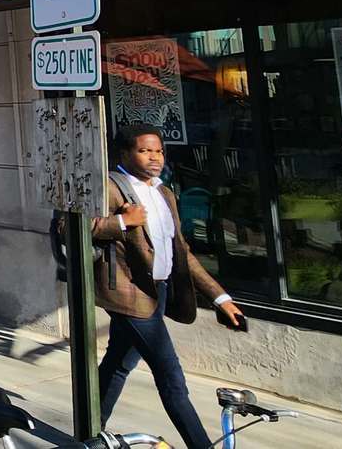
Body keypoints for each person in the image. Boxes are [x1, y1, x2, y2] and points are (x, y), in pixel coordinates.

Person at [92, 123, 244, 449]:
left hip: (158, 291)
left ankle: (91, 431)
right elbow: (69, 227)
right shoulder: (108, 187)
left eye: (159, 151)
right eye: (144, 151)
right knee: (171, 376)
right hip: (129, 296)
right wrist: (122, 222)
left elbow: (181, 252)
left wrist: (220, 298)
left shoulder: (164, 193)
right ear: (125, 153)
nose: (154, 157)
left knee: (119, 363)